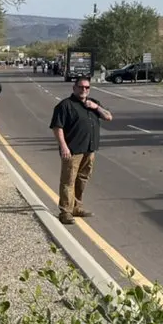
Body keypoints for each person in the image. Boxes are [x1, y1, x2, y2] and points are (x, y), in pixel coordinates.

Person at [49, 75, 113, 225]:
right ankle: (65, 212)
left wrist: (96, 107)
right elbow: (57, 127)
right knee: (68, 181)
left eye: (87, 87)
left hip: (89, 149)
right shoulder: (65, 105)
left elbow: (109, 117)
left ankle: (77, 207)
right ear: (74, 88)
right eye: (81, 87)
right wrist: (63, 146)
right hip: (72, 150)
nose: (84, 89)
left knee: (82, 179)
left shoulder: (94, 104)